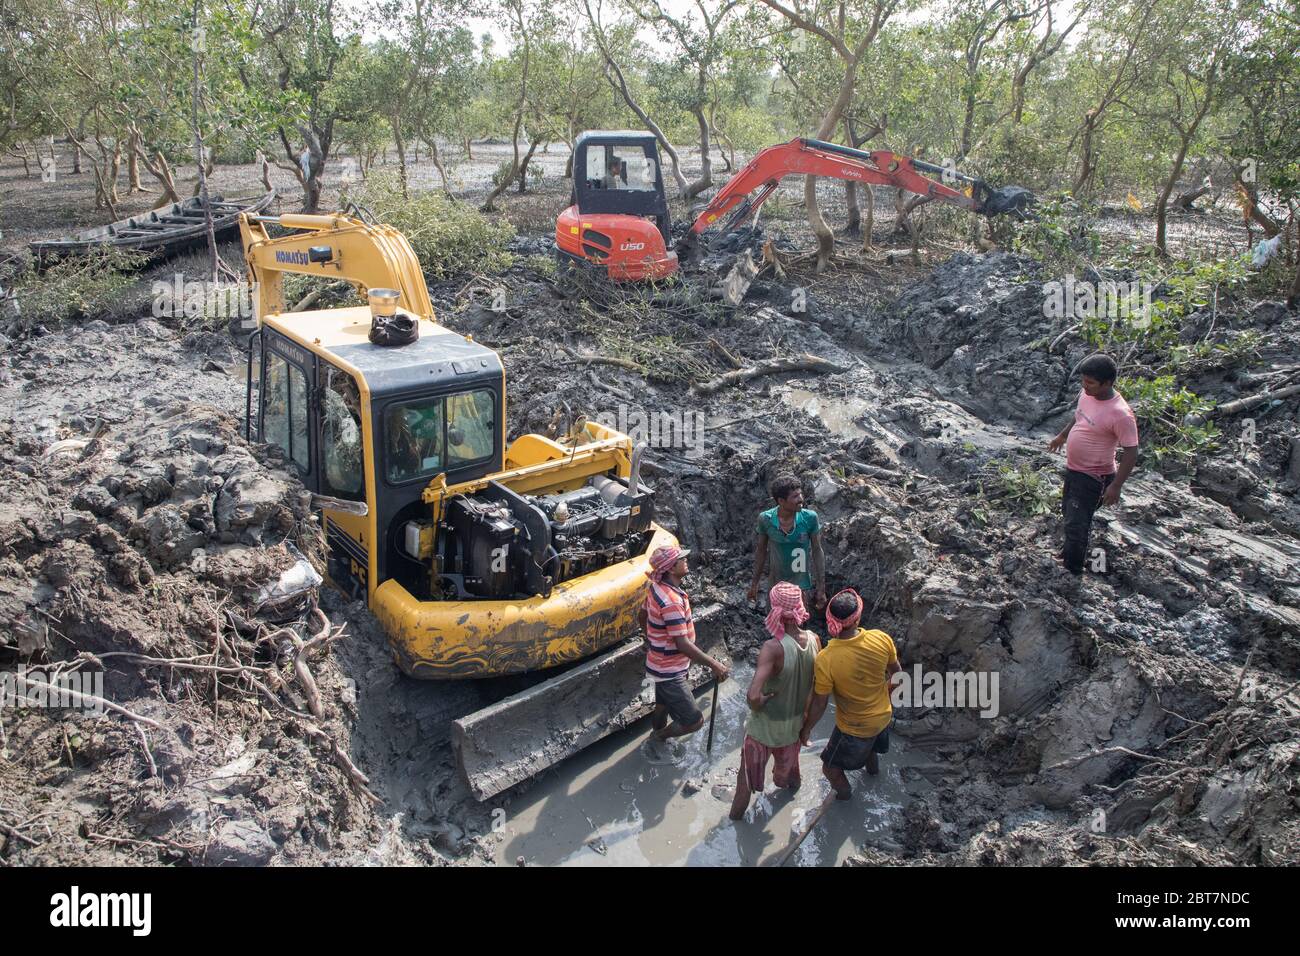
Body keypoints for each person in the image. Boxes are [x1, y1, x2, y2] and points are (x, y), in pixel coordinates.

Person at [729, 582, 820, 821]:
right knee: (792, 774)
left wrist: (760, 703)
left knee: (745, 783)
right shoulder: (814, 640)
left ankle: (734, 823)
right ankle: (791, 805)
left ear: (774, 609)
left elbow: (752, 696)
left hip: (764, 729)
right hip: (793, 727)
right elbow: (815, 685)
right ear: (800, 607)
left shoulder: (773, 648)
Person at [799, 589, 900, 800]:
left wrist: (806, 729)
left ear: (829, 620)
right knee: (871, 749)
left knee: (829, 769)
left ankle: (845, 797)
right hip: (883, 716)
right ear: (858, 618)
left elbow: (820, 704)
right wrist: (886, 698)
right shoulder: (881, 638)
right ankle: (873, 775)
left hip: (854, 727)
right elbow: (898, 675)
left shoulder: (827, 658)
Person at [1048, 353, 1139, 575]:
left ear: (1107, 383)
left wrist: (1116, 486)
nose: (1085, 386)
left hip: (1094, 477)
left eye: (1090, 382)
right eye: (1083, 381)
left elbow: (1131, 451)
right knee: (1069, 514)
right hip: (1075, 470)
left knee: (1078, 522)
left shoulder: (1121, 414)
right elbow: (1079, 416)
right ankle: (1067, 553)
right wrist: (1062, 436)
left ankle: (1072, 569)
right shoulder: (1086, 395)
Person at [642, 545, 729, 760]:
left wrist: (653, 638)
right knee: (694, 721)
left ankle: (656, 732)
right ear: (671, 568)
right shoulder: (671, 600)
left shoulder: (656, 588)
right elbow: (682, 644)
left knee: (662, 706)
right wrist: (714, 664)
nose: (686, 560)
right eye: (681, 559)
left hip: (658, 662)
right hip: (670, 671)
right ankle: (660, 737)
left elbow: (642, 615)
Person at [747, 474, 826, 613]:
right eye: (795, 497)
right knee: (774, 623)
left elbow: (817, 550)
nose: (800, 499)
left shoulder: (810, 518)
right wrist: (755, 584)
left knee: (799, 622)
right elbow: (761, 551)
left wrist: (821, 586)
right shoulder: (766, 519)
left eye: (800, 494)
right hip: (776, 585)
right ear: (781, 501)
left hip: (800, 585)